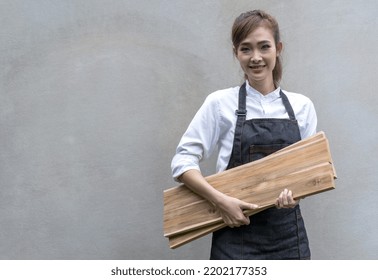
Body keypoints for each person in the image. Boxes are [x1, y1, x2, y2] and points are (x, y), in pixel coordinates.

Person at [171, 10, 317, 260]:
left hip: (288, 239)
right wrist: (220, 201)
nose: (256, 57)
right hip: (234, 236)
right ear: (236, 52)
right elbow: (182, 162)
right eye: (246, 49)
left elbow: (308, 172)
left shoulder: (302, 107)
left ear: (278, 48)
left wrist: (294, 196)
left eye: (264, 47)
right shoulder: (219, 103)